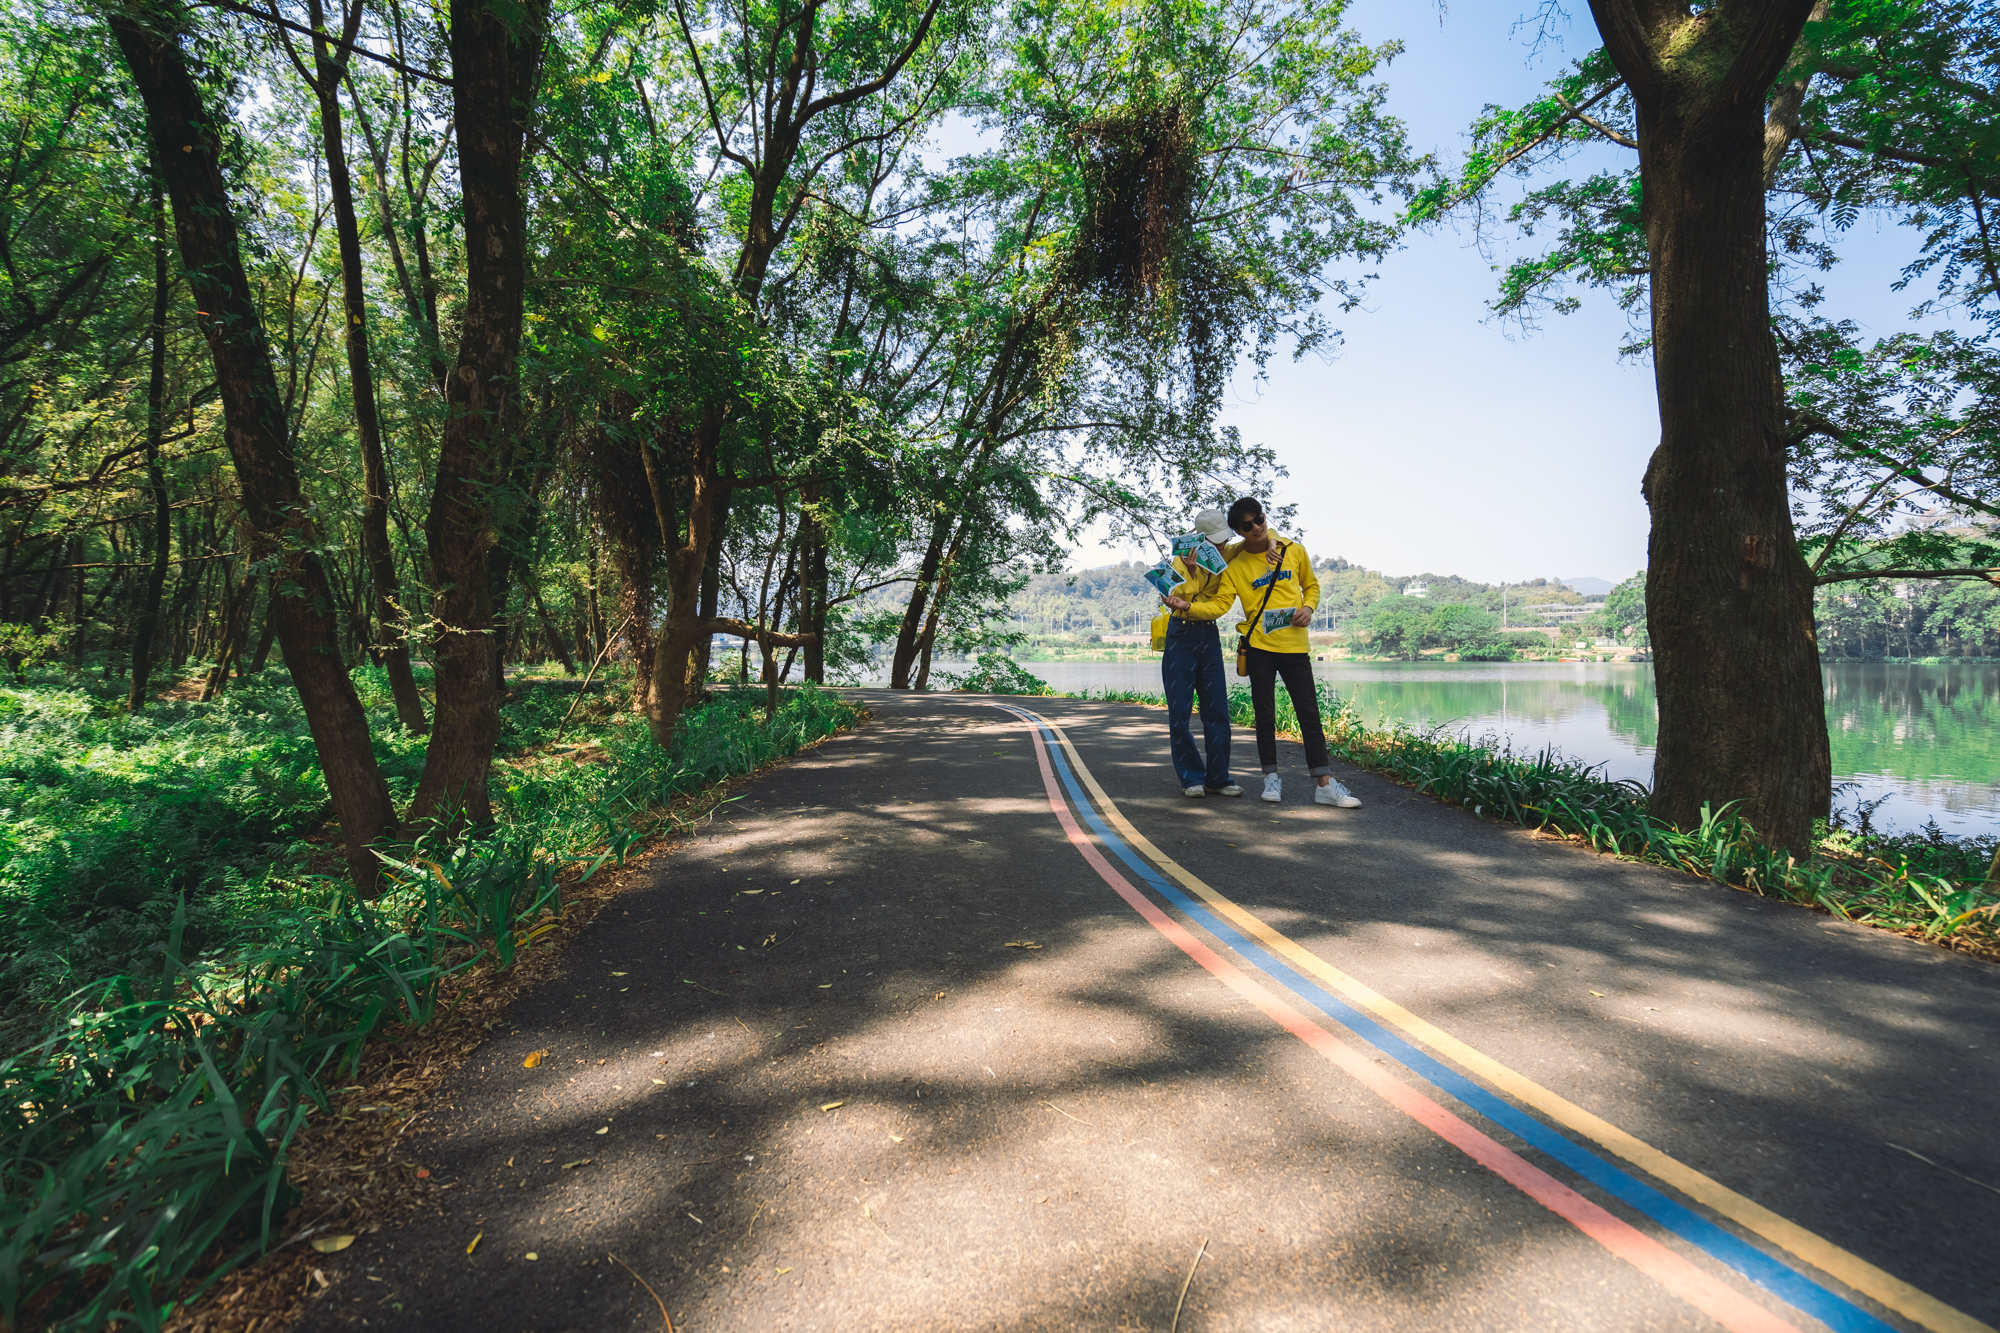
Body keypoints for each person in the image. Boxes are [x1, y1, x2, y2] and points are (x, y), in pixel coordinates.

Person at [1164, 496, 1362, 808]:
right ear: (1200, 539)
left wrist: (1306, 602)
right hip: (1209, 637)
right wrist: (1189, 580)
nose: (1255, 528)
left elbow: (1298, 573)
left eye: (1258, 520)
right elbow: (1188, 597)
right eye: (1246, 526)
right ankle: (1211, 778)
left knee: (1230, 712)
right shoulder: (1200, 560)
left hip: (1255, 639)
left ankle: (1225, 779)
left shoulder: (1257, 550)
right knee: (1196, 712)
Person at [1161, 509, 1242, 797]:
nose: (1220, 546)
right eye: (1214, 541)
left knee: (1217, 709)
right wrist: (1192, 574)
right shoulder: (1180, 559)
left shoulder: (1231, 555)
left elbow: (1220, 606)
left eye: (1224, 540)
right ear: (1201, 539)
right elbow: (1174, 598)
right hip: (1180, 634)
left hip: (1208, 633)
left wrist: (1271, 541)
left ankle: (1219, 778)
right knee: (1180, 710)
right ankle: (1191, 778)